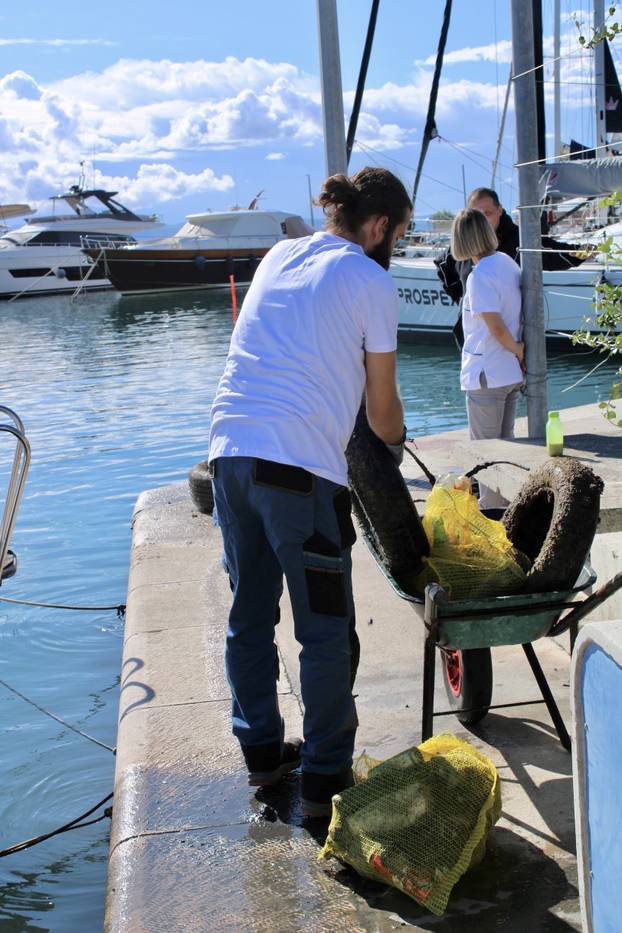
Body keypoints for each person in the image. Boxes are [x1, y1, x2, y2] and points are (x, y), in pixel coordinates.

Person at [208, 166, 412, 818]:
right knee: (325, 632)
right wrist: (398, 442)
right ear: (378, 226)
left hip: (228, 455)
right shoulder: (370, 278)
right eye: (399, 235)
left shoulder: (279, 253)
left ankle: (264, 757)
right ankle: (326, 779)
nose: (396, 247)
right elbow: (382, 417)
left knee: (249, 615)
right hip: (298, 472)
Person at [451, 208, 524, 509]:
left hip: (486, 374)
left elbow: (494, 326)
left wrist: (516, 348)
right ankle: (510, 516)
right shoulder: (507, 263)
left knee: (486, 458)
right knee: (506, 453)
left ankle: (494, 520)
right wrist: (519, 353)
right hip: (508, 374)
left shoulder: (479, 276)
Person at [435, 186, 587, 306]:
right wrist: (461, 296)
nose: (482, 221)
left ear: (499, 211)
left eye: (487, 213)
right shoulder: (464, 242)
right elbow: (442, 264)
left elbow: (546, 251)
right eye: (476, 215)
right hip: (472, 332)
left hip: (508, 331)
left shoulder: (517, 239)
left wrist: (576, 253)